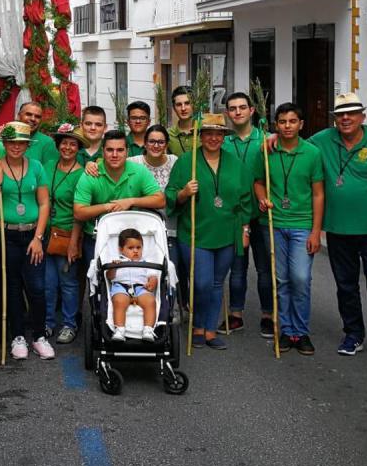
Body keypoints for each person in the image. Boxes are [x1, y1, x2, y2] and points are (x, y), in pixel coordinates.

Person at [311, 93, 367, 364]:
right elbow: (294, 146)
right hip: (338, 231)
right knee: (346, 286)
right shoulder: (322, 140)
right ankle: (353, 334)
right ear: (335, 119)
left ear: (363, 116)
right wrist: (272, 139)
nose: (346, 118)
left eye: (351, 113)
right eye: (340, 114)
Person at [166, 114, 251, 350]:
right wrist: (183, 193)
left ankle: (210, 329)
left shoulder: (235, 163)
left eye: (218, 133)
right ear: (200, 136)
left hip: (227, 232)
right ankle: (197, 325)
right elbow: (170, 195)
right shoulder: (186, 161)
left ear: (224, 137)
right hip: (195, 232)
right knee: (201, 283)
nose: (213, 138)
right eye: (208, 133)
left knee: (216, 283)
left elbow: (245, 199)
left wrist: (245, 229)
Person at [0, 122, 52, 361]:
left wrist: (39, 237)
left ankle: (39, 336)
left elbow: (43, 203)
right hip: (3, 234)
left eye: (21, 142)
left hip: (32, 234)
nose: (16, 146)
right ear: (4, 143)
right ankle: (17, 336)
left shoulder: (37, 166)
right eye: (11, 142)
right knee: (11, 286)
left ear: (28, 145)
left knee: (37, 287)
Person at [252, 103, 324, 355]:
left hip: (302, 224)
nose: (287, 126)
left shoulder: (313, 153)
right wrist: (262, 199)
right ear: (276, 125)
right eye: (282, 122)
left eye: (292, 121)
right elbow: (258, 183)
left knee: (301, 279)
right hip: (273, 223)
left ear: (301, 124)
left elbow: (318, 194)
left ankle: (301, 331)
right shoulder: (268, 150)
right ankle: (285, 330)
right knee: (281, 280)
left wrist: (316, 231)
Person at [73, 129, 166, 275]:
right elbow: (79, 212)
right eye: (110, 150)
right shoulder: (91, 174)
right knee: (98, 279)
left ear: (127, 152)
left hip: (134, 236)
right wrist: (108, 206)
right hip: (98, 237)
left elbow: (160, 200)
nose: (115, 155)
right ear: (102, 152)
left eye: (120, 150)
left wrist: (130, 201)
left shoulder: (139, 171)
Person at [223, 91, 273, 336]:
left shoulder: (266, 140)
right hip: (235, 216)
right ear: (227, 113)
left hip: (262, 215)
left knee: (265, 268)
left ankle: (268, 315)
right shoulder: (223, 142)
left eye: (242, 107)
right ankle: (235, 314)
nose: (238, 112)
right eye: (232, 108)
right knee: (237, 267)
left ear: (252, 111)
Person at [45, 123, 85, 344]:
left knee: (68, 283)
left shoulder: (81, 174)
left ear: (78, 148)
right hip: (45, 233)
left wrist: (74, 242)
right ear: (58, 145)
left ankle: (69, 324)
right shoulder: (48, 165)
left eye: (72, 144)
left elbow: (79, 212)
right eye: (64, 143)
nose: (68, 147)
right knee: (48, 283)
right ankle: (48, 322)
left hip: (67, 232)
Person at [130, 124, 183, 290]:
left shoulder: (175, 162)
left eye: (160, 142)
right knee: (143, 273)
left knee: (170, 270)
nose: (156, 145)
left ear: (166, 144)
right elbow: (108, 161)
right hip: (141, 228)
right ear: (145, 144)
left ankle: (171, 309)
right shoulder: (133, 163)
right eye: (152, 141)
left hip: (170, 226)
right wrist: (93, 163)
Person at [106, 228, 159, 342]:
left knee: (150, 301)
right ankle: (119, 330)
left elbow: (153, 276)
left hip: (140, 288)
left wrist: (152, 282)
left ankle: (148, 329)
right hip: (121, 286)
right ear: (121, 249)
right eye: (130, 248)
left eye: (138, 248)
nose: (135, 251)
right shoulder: (117, 261)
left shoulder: (146, 262)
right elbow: (110, 277)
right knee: (119, 301)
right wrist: (113, 267)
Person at [17, 100, 58, 168]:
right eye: (28, 114)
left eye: (37, 117)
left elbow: (50, 173)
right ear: (19, 116)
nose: (33, 119)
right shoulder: (7, 137)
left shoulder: (47, 143)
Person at [167, 86, 195, 156]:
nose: (183, 108)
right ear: (174, 108)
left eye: (187, 103)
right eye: (179, 104)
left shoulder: (204, 132)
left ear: (194, 105)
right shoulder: (168, 135)